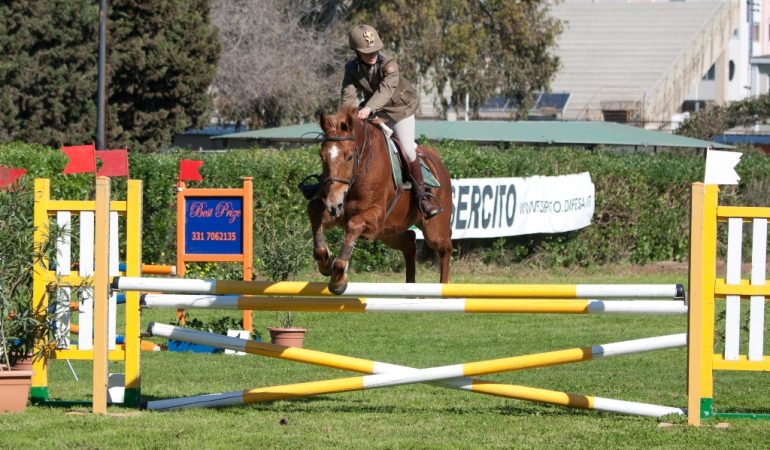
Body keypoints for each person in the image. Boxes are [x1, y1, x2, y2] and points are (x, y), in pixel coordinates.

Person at [341, 24, 441, 219]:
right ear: (356, 51)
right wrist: (345, 117)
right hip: (374, 109)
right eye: (367, 52)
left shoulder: (389, 63)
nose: (373, 55)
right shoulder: (351, 68)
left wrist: (368, 108)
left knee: (406, 148)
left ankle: (422, 197)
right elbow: (348, 93)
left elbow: (385, 90)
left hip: (399, 110)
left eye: (375, 50)